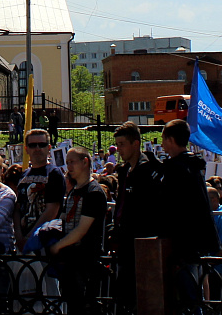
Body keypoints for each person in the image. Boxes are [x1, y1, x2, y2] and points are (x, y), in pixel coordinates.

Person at [157, 118, 220, 302]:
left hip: (182, 242)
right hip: (195, 240)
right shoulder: (193, 166)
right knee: (192, 291)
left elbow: (173, 206)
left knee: (188, 294)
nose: (162, 144)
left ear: (170, 139)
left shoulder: (177, 169)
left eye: (163, 139)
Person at [47, 147, 108, 310]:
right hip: (70, 261)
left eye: (72, 162)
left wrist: (57, 246)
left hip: (86, 261)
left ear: (85, 162)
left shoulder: (94, 192)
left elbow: (82, 230)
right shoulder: (74, 190)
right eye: (67, 163)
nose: (69, 167)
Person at [111, 121, 161, 307]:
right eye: (117, 145)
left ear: (136, 143)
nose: (119, 149)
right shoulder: (124, 171)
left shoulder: (148, 170)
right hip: (124, 242)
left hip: (142, 243)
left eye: (122, 144)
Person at [14, 129, 64, 247]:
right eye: (32, 145)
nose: (37, 148)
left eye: (42, 145)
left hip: (44, 239)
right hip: (22, 238)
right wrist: (18, 235)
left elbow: (52, 210)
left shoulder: (54, 173)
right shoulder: (23, 176)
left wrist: (29, 237)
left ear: (49, 147)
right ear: (26, 149)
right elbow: (17, 208)